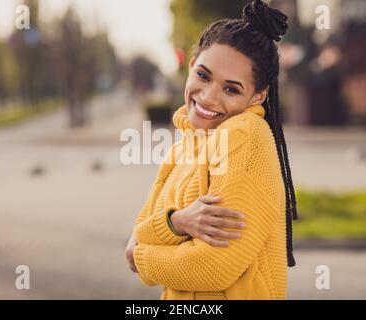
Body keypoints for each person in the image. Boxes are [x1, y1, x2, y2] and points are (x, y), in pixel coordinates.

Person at [125, 0, 298, 300]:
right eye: (203, 76)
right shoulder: (184, 146)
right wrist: (176, 222)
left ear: (258, 95)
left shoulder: (246, 136)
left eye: (231, 89)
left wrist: (141, 258)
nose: (208, 97)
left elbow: (212, 265)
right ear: (192, 66)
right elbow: (140, 231)